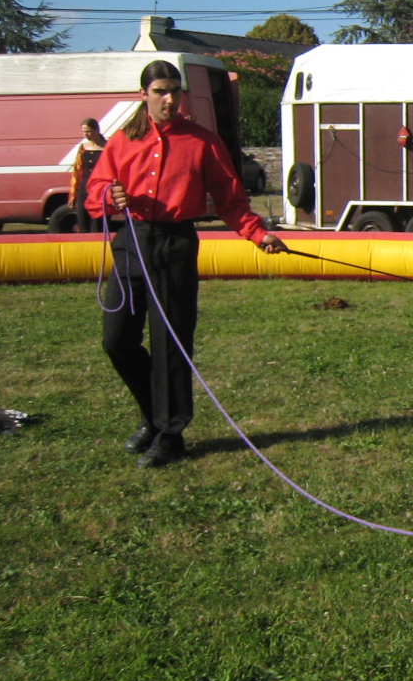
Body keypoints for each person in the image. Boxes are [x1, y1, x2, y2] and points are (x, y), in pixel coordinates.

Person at [85, 60, 288, 466]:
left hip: (175, 243)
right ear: (143, 94)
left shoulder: (202, 141)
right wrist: (109, 195)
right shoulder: (123, 140)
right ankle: (152, 416)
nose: (169, 99)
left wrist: (257, 233)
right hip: (132, 242)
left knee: (170, 344)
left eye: (175, 91)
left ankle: (170, 434)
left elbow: (231, 199)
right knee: (117, 340)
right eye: (160, 91)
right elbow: (96, 190)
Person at [67, 117, 107, 233]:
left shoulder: (107, 147)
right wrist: (73, 194)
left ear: (96, 130)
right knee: (83, 222)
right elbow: (77, 171)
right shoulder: (83, 148)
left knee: (98, 224)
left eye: (88, 131)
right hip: (84, 189)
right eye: (83, 132)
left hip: (100, 189)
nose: (86, 135)